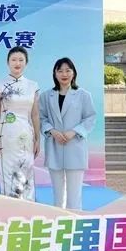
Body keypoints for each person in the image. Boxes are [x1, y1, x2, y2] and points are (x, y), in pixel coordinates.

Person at [39, 57, 96, 210]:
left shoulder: (83, 95)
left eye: (67, 70)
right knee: (57, 194)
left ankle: (75, 219)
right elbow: (41, 118)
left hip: (75, 146)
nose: (64, 74)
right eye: (60, 71)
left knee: (74, 194)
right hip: (54, 145)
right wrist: (52, 131)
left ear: (73, 73)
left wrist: (74, 131)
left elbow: (90, 118)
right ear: (55, 74)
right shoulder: (46, 96)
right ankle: (58, 219)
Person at [0, 46, 40, 201]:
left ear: (26, 63)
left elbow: (35, 114)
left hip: (26, 135)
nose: (17, 63)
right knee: (8, 172)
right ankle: (9, 207)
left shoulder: (33, 86)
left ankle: (28, 207)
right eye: (13, 60)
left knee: (26, 170)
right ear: (8, 62)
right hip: (6, 134)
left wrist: (37, 139)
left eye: (21, 60)